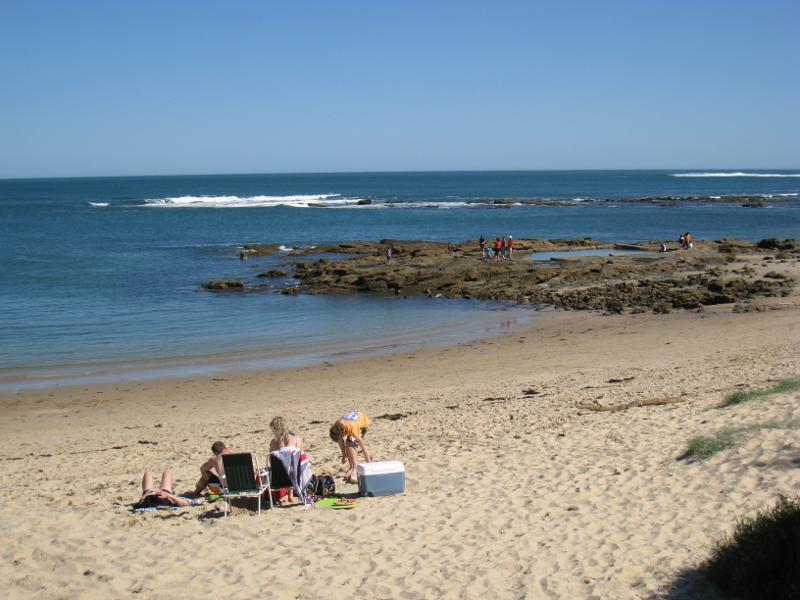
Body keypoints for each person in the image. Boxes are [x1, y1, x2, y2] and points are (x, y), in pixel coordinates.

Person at [329, 411, 371, 483]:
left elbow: (363, 446)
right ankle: (351, 467)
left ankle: (355, 468)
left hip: (363, 424)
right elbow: (341, 441)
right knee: (347, 443)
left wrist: (369, 462)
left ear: (343, 432)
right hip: (352, 422)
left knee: (350, 442)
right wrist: (343, 455)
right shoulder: (337, 426)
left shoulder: (353, 429)